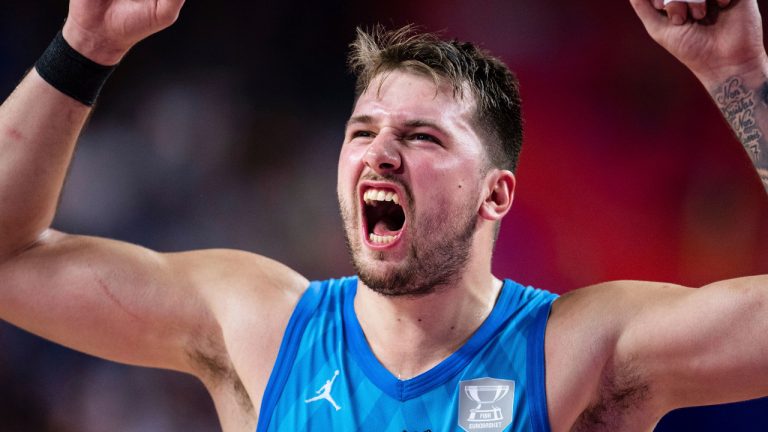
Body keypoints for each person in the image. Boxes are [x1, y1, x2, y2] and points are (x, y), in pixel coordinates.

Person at [0, 0, 766, 431]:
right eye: (362, 133)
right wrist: (84, 45)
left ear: (496, 195)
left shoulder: (583, 352)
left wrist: (740, 74)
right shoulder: (259, 330)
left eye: (423, 136)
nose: (380, 154)